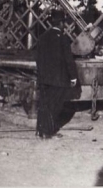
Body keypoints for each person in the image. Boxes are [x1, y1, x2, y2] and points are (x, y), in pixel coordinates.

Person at [35, 9, 78, 140]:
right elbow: (68, 60)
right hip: (58, 80)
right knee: (55, 107)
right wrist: (73, 77)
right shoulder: (63, 39)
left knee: (44, 104)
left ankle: (41, 130)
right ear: (61, 24)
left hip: (44, 78)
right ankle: (49, 132)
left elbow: (38, 58)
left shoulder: (42, 38)